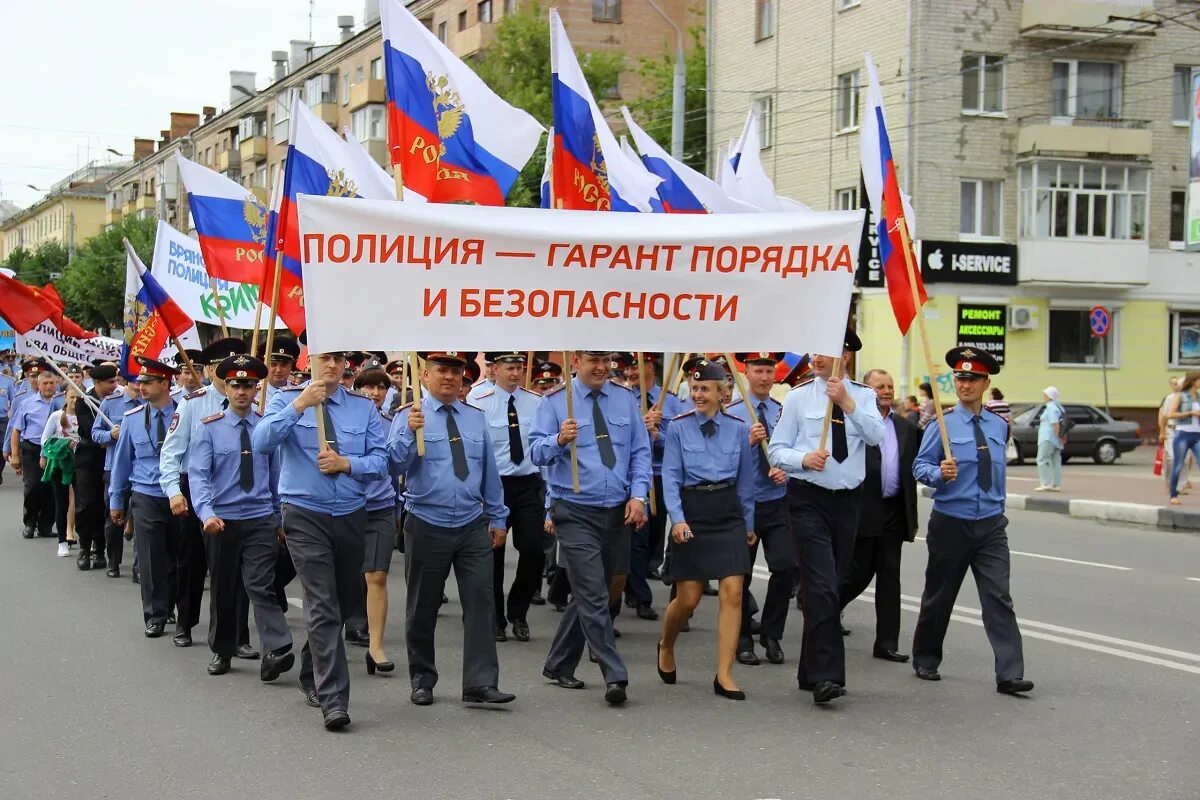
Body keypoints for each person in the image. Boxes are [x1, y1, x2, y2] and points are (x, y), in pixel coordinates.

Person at [253, 347, 389, 732]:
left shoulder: (362, 409)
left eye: (338, 360)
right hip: (304, 511)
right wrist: (299, 404)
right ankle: (335, 700)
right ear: (308, 363)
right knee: (322, 601)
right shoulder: (285, 399)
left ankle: (313, 668)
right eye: (323, 359)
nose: (331, 366)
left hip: (349, 513)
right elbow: (263, 442)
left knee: (345, 603)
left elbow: (381, 462)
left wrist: (348, 464)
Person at [389, 350, 515, 708]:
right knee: (422, 606)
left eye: (455, 372)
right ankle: (422, 678)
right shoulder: (410, 415)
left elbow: (489, 471)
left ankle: (480, 683)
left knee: (481, 602)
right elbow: (392, 465)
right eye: (441, 371)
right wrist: (408, 434)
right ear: (425, 377)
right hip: (427, 521)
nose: (448, 377)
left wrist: (498, 517)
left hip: (471, 523)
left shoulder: (474, 418)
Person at [767, 328, 884, 705]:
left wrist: (847, 403)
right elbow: (776, 450)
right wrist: (803, 459)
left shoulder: (863, 397)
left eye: (825, 352)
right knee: (821, 586)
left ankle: (808, 670)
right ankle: (827, 676)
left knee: (830, 584)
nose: (815, 358)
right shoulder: (799, 397)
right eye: (813, 351)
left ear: (845, 356)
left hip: (847, 502)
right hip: (808, 500)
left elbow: (876, 436)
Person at [531, 350, 651, 706]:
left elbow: (640, 451)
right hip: (574, 509)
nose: (601, 367)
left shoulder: (624, 398)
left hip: (616, 509)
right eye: (593, 360)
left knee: (596, 588)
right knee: (594, 592)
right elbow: (535, 452)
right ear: (576, 362)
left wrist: (639, 495)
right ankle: (614, 673)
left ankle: (557, 663)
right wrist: (557, 440)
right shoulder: (555, 402)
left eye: (605, 360)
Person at [911, 347, 1033, 696]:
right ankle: (926, 657)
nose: (965, 384)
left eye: (973, 379)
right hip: (952, 521)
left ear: (985, 383)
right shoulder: (942, 425)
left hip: (991, 524)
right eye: (961, 378)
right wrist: (938, 472)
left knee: (999, 597)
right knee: (940, 595)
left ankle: (1010, 673)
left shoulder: (999, 425)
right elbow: (919, 466)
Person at [189, 354, 294, 679]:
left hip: (260, 519)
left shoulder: (265, 428)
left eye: (249, 385)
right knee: (223, 588)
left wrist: (279, 520)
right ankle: (223, 650)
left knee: (260, 584)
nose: (242, 391)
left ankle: (277, 648)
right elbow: (198, 475)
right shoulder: (209, 428)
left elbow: (276, 478)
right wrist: (206, 513)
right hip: (222, 522)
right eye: (236, 385)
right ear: (226, 386)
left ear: (256, 387)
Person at [657, 359, 756, 700]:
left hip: (727, 513)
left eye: (705, 389)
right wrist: (678, 519)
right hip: (693, 511)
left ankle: (724, 673)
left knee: (733, 593)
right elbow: (670, 477)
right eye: (694, 388)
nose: (698, 394)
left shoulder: (739, 428)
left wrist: (749, 522)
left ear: (722, 392)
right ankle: (666, 644)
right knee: (688, 599)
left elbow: (745, 481)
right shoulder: (679, 427)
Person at [159, 337, 250, 651]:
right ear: (211, 370)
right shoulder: (193, 402)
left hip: (235, 488)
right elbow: (171, 452)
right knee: (192, 561)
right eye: (222, 369)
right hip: (194, 487)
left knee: (234, 566)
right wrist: (173, 492)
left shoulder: (253, 400)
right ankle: (185, 622)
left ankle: (237, 634)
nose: (231, 379)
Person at [838, 369, 919, 663]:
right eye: (879, 386)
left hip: (894, 512)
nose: (886, 391)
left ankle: (886, 642)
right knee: (858, 572)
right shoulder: (854, 422)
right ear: (865, 390)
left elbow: (918, 463)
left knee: (889, 576)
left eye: (889, 386)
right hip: (862, 509)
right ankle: (825, 610)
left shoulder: (906, 427)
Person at [724, 353, 795, 666]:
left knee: (787, 567)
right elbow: (721, 462)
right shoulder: (733, 414)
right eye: (758, 370)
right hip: (744, 505)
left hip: (778, 501)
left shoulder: (783, 413)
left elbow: (794, 452)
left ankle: (772, 632)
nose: (764, 377)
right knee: (741, 576)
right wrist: (748, 445)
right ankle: (742, 639)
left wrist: (787, 471)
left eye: (769, 371)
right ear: (747, 373)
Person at [473, 352, 546, 643]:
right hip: (494, 486)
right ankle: (496, 618)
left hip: (527, 485)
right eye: (510, 368)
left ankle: (519, 612)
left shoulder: (536, 402)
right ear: (495, 369)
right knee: (493, 555)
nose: (516, 374)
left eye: (520, 368)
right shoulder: (479, 403)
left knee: (533, 550)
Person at [109, 357, 182, 638]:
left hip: (179, 494)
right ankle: (156, 614)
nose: (141, 387)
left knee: (179, 556)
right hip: (146, 494)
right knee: (151, 559)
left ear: (165, 383)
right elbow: (122, 462)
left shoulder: (185, 414)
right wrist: (117, 500)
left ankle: (176, 605)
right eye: (140, 382)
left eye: (148, 382)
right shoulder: (132, 419)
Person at [623, 353, 681, 619]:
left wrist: (658, 436)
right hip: (634, 475)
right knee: (638, 537)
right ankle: (640, 595)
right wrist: (639, 427)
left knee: (656, 537)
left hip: (662, 475)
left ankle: (634, 577)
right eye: (629, 368)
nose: (631, 373)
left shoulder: (670, 401)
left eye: (636, 366)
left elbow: (681, 443)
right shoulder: (621, 398)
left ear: (650, 366)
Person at [351, 360, 400, 675]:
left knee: (377, 576)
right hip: (346, 507)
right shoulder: (342, 420)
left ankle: (376, 646)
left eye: (381, 386)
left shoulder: (391, 422)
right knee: (343, 579)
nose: (375, 392)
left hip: (380, 507)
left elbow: (396, 468)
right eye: (368, 386)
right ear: (356, 390)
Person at [93, 375, 143, 577]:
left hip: (141, 472)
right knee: (114, 516)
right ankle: (113, 561)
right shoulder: (110, 403)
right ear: (128, 380)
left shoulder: (151, 405)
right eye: (137, 380)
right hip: (115, 469)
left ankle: (139, 567)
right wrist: (110, 435)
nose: (141, 385)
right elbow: (95, 432)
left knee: (142, 519)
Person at [10, 364, 65, 540]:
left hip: (56, 451)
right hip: (32, 450)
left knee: (51, 489)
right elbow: (16, 430)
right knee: (33, 487)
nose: (49, 386)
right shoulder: (27, 404)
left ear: (57, 383)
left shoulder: (62, 403)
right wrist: (15, 455)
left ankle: (46, 525)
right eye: (45, 383)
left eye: (52, 383)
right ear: (38, 385)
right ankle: (29, 523)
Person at [73, 363, 119, 570]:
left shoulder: (118, 401)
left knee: (105, 505)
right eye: (110, 382)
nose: (114, 385)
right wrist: (107, 436)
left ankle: (99, 549)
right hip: (87, 460)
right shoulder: (84, 402)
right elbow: (89, 430)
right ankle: (84, 547)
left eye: (116, 381)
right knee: (87, 504)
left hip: (110, 459)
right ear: (98, 383)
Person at [40, 384, 81, 557]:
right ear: (65, 397)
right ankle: (62, 541)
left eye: (78, 398)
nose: (74, 401)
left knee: (83, 502)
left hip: (80, 464)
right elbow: (44, 440)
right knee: (61, 502)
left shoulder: (85, 416)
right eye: (72, 397)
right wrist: (60, 446)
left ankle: (87, 538)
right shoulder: (57, 416)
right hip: (61, 464)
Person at [1166, 372, 1200, 505]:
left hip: (1198, 435)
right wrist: (1190, 413)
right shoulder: (1181, 396)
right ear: (1193, 381)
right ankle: (1173, 495)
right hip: (1183, 434)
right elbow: (1170, 414)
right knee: (1178, 465)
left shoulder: (1198, 396)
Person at [1035, 386, 1065, 493]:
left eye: (1045, 394)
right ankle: (1056, 484)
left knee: (1042, 459)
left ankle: (1046, 483)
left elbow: (1054, 423)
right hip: (1056, 438)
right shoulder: (1059, 406)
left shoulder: (1050, 407)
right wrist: (1061, 437)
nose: (1043, 396)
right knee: (1055, 460)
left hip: (1048, 437)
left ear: (1049, 396)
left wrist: (1058, 436)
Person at [1159, 377, 1184, 494]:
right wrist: (1162, 432)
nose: (1178, 386)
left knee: (1184, 459)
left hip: (1184, 431)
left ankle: (1179, 485)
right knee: (1172, 458)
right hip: (1171, 430)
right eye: (1175, 384)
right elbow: (1164, 416)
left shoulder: (1189, 398)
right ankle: (1168, 481)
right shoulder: (1169, 399)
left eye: (1179, 384)